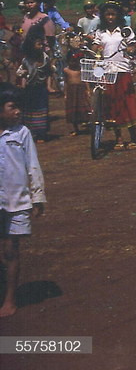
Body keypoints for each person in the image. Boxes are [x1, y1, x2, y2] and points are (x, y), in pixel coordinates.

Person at [0, 86, 47, 317]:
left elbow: (33, 165)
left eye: (19, 107)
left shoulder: (22, 133)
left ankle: (9, 298)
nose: (18, 112)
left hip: (16, 202)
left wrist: (37, 197)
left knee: (11, 250)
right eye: (12, 107)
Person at [91, 2, 136, 149]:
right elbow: (95, 46)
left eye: (113, 14)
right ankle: (118, 138)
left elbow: (132, 45)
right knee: (112, 104)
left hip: (123, 69)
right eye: (108, 14)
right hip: (107, 71)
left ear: (118, 15)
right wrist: (94, 48)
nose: (111, 17)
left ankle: (133, 138)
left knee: (127, 103)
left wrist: (131, 49)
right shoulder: (100, 32)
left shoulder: (125, 30)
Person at [16, 29, 52, 142]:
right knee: (30, 110)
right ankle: (32, 133)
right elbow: (21, 73)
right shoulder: (26, 60)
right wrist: (23, 84)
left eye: (42, 44)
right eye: (38, 44)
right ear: (31, 46)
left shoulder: (45, 58)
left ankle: (41, 134)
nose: (41, 46)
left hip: (41, 89)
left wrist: (49, 86)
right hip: (30, 88)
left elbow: (49, 73)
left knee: (42, 110)